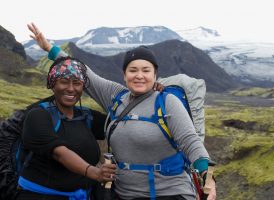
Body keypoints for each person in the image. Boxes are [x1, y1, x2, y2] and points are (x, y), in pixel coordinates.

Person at [28, 23, 216, 200]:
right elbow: (85, 73)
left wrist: (208, 176)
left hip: (169, 193)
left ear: (155, 75)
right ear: (124, 75)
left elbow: (190, 142)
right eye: (133, 70)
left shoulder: (167, 101)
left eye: (146, 70)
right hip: (123, 194)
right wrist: (49, 49)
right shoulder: (116, 96)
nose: (139, 75)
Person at [16, 56, 117, 200]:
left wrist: (153, 92)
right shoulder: (38, 116)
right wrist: (94, 173)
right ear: (52, 84)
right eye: (63, 82)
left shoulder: (86, 116)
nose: (71, 89)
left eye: (77, 83)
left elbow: (122, 125)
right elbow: (59, 153)